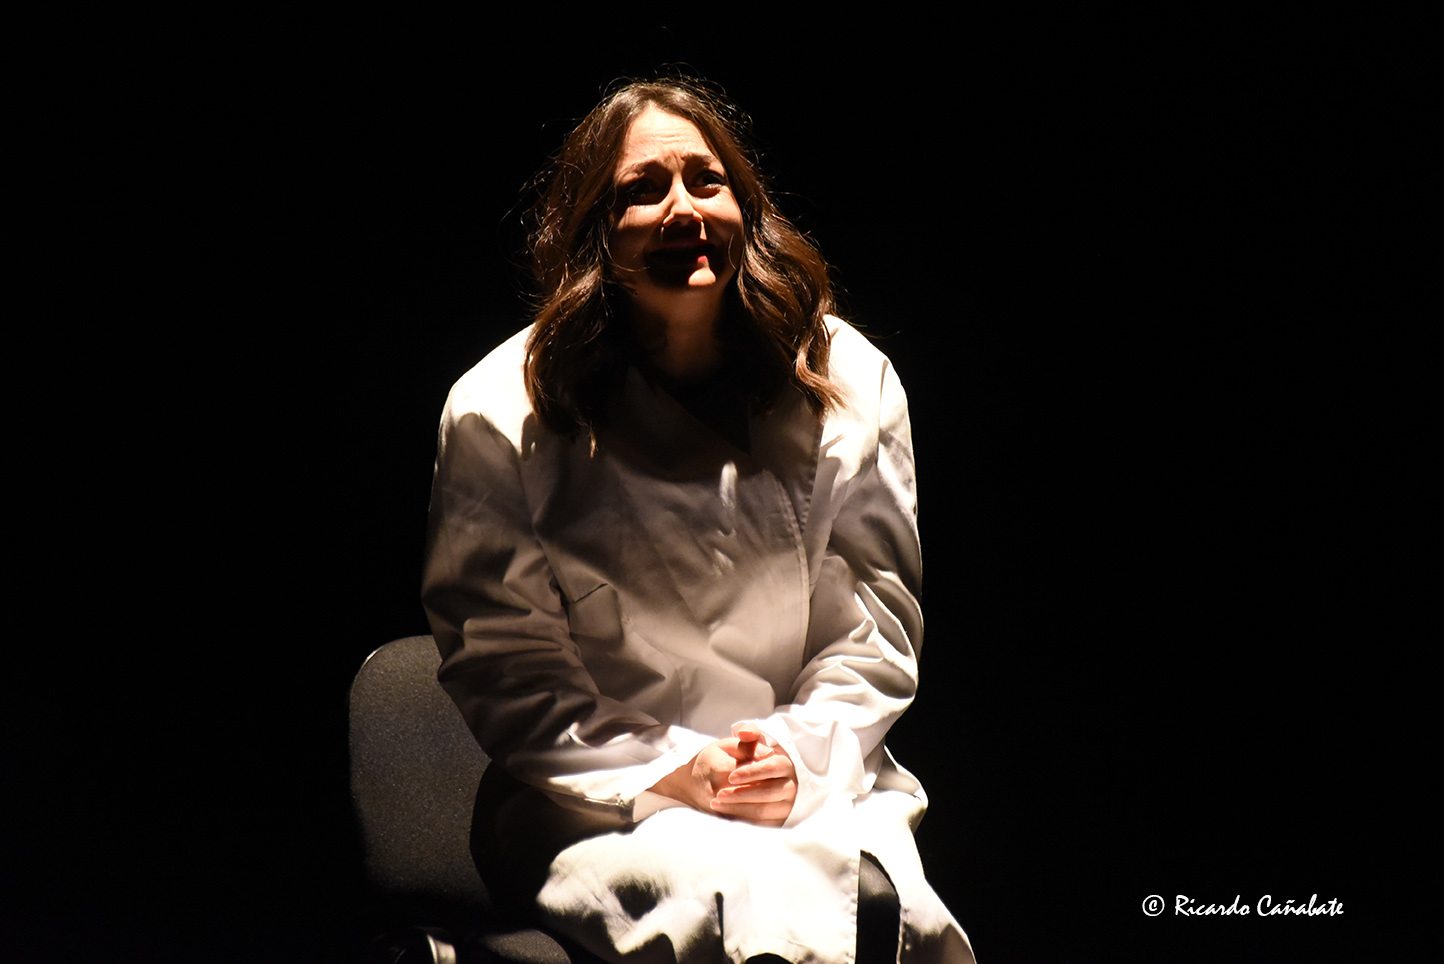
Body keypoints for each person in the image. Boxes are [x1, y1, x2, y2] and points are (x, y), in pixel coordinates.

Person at [422, 77, 976, 964]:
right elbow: (507, 664)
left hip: (814, 776)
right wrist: (674, 770)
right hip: (596, 797)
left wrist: (791, 758)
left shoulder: (849, 380)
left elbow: (872, 632)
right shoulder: (499, 411)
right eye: (643, 190)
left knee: (878, 912)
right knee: (742, 907)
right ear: (594, 231)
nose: (684, 209)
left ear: (744, 209)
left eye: (705, 181)